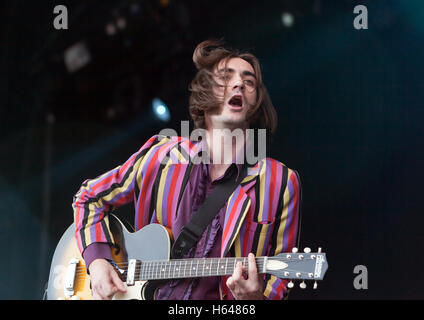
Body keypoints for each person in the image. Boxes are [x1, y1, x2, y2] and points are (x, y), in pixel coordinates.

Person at [72, 39, 301, 300]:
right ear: (206, 93)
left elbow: (282, 277)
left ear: (256, 101)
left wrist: (255, 300)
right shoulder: (162, 155)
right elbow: (89, 198)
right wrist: (98, 262)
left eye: (249, 82)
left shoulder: (280, 182)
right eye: (226, 77)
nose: (239, 84)